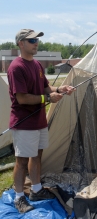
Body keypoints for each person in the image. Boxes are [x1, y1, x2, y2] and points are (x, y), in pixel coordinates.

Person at [7, 29, 75, 213]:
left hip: (39, 121)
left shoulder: (36, 65)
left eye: (37, 39)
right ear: (21, 43)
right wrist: (47, 99)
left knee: (37, 156)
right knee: (21, 161)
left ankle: (36, 190)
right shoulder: (16, 67)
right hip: (23, 123)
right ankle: (19, 197)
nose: (36, 42)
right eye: (32, 40)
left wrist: (60, 89)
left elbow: (46, 87)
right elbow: (22, 98)